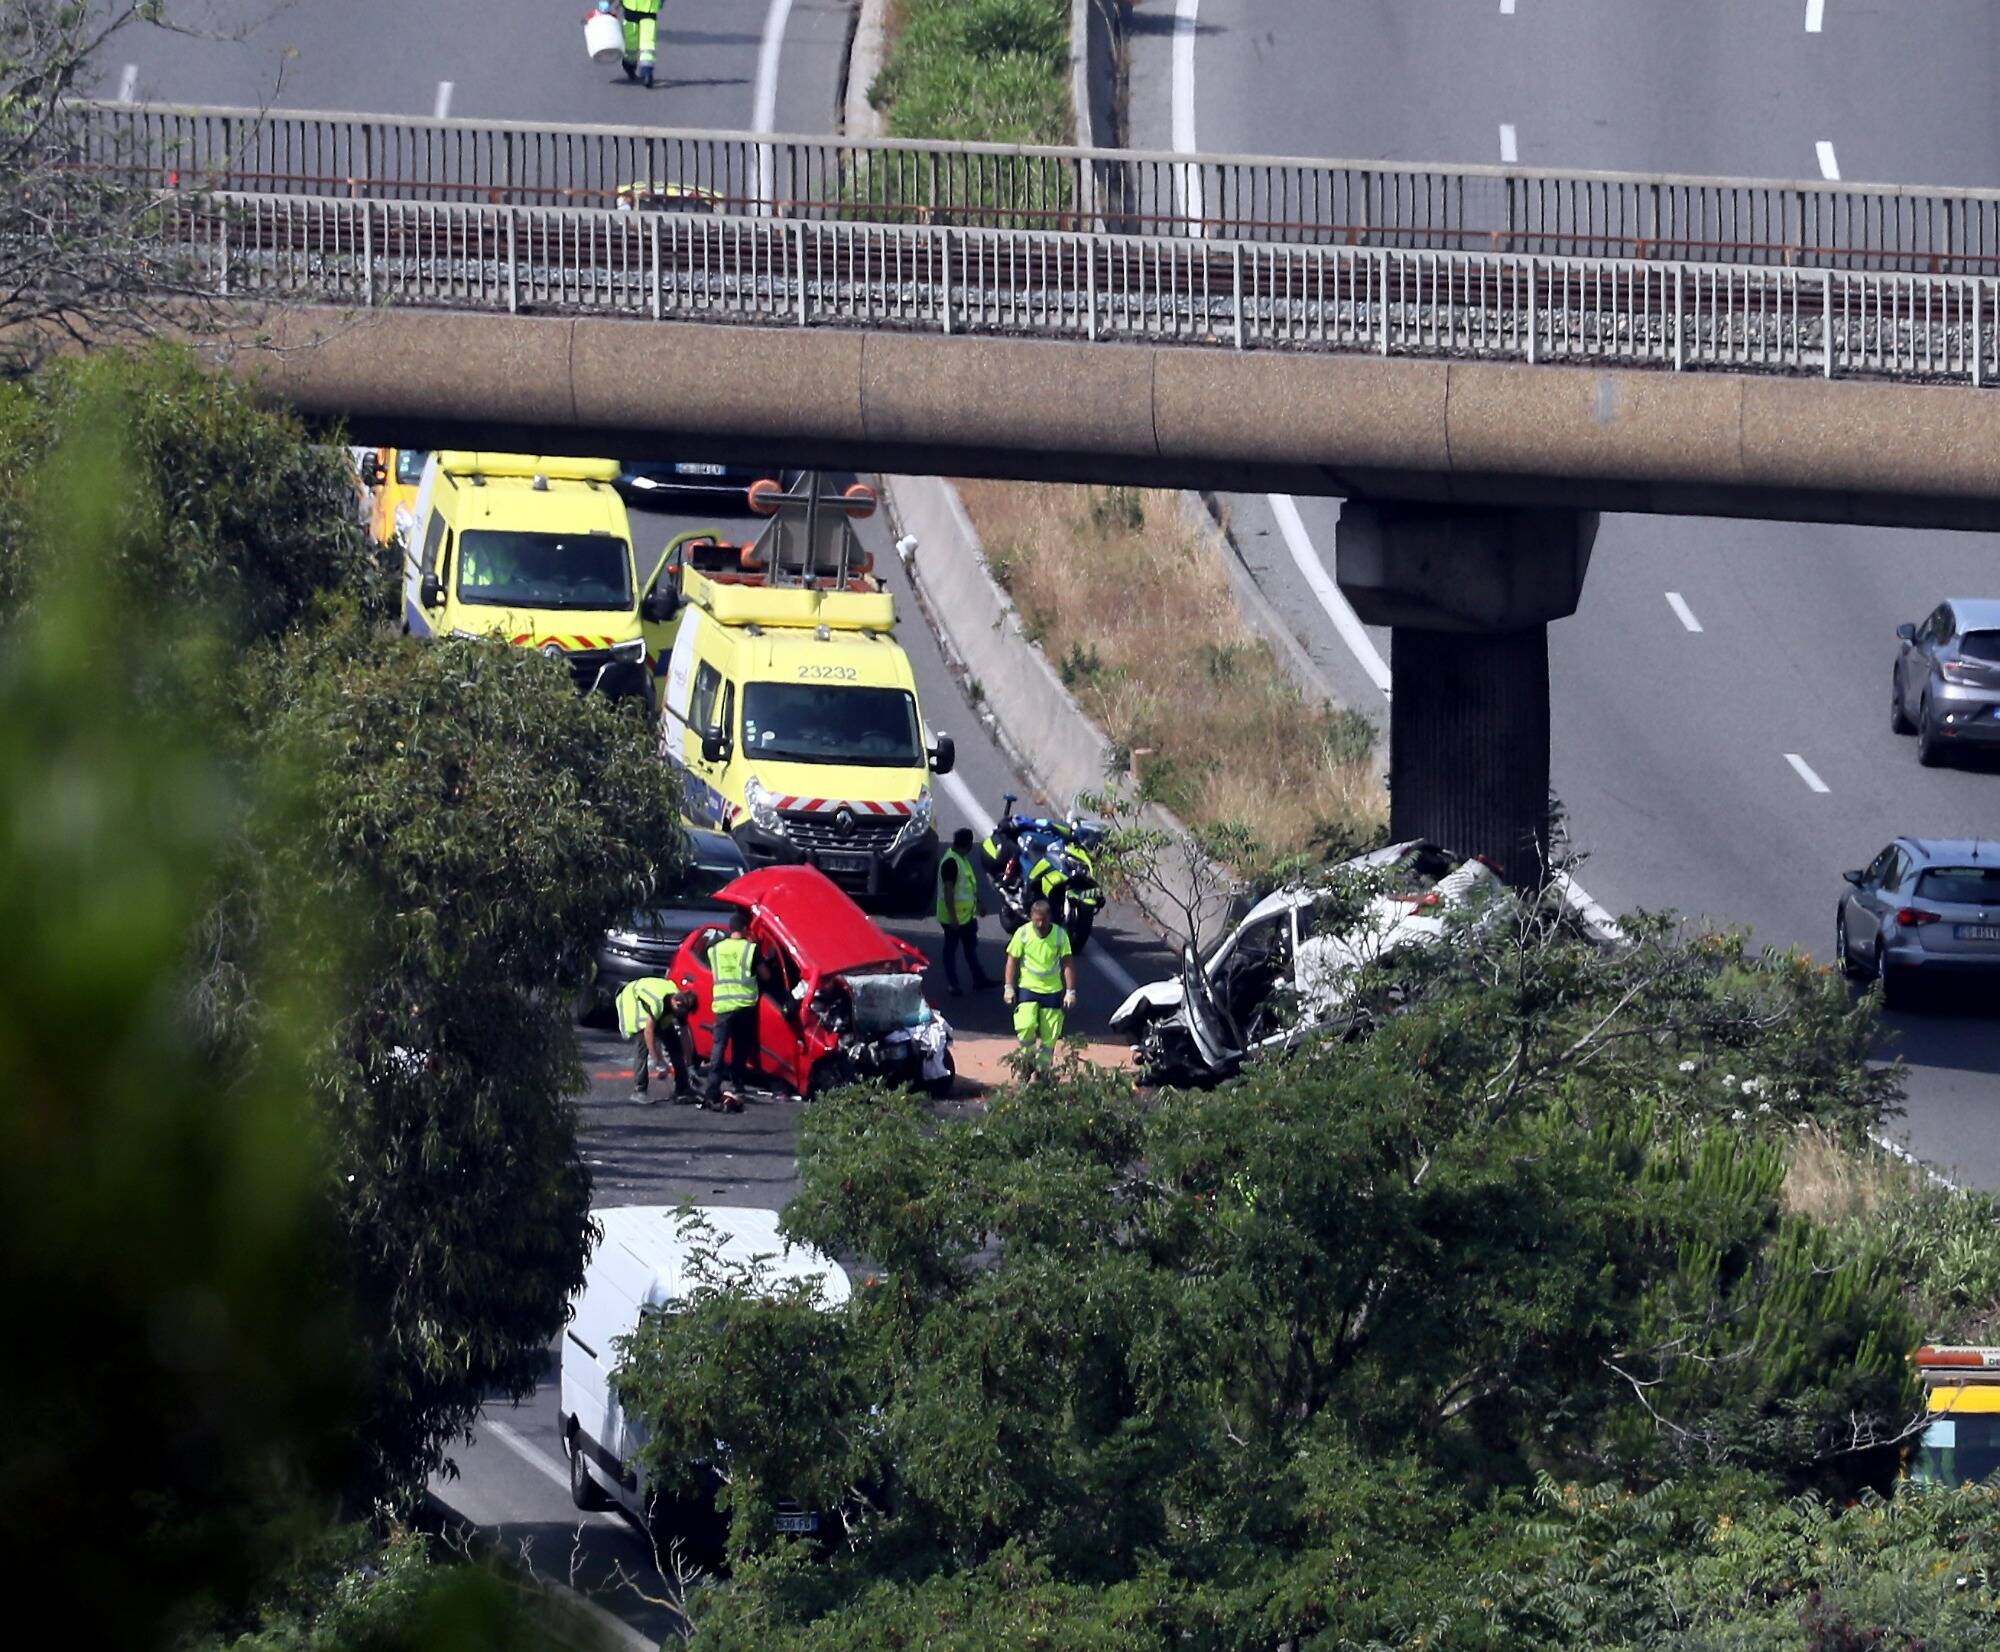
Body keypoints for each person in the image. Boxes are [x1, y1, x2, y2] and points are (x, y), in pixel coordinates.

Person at [703, 908, 766, 1112]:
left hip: (723, 1005)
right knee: (740, 1048)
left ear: (730, 929)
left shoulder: (715, 949)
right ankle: (737, 1086)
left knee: (719, 1047)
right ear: (746, 929)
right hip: (745, 1006)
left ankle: (712, 1088)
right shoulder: (750, 949)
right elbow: (766, 976)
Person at [1003, 898, 1077, 1052]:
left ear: (1049, 917)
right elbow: (1012, 960)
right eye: (1036, 920)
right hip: (1028, 988)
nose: (1040, 925)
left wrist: (1070, 992)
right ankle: (1027, 1061)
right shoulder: (1023, 933)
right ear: (1031, 917)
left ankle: (1043, 1071)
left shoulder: (1060, 935)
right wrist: (1008, 987)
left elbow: (1068, 964)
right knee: (1025, 1025)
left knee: (1049, 1036)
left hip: (1052, 991)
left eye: (1043, 920)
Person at [615, 975, 696, 1104]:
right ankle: (639, 1090)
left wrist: (690, 1065)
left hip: (653, 1001)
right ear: (678, 1004)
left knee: (674, 1044)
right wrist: (659, 1063)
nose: (682, 1016)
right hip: (632, 998)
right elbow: (649, 1033)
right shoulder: (658, 1004)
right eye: (683, 1013)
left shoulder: (679, 1003)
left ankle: (683, 1087)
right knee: (642, 1045)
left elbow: (685, 1035)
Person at [934, 827, 993, 995]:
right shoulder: (951, 862)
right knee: (950, 951)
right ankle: (953, 984)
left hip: (966, 917)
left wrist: (979, 905)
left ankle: (979, 979)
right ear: (967, 845)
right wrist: (953, 918)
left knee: (970, 949)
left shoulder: (961, 859)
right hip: (952, 919)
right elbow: (948, 891)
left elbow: (968, 887)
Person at [619, 0, 663, 89]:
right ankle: (647, 71)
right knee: (648, 41)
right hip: (649, 8)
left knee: (631, 41)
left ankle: (629, 65)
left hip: (630, 7)